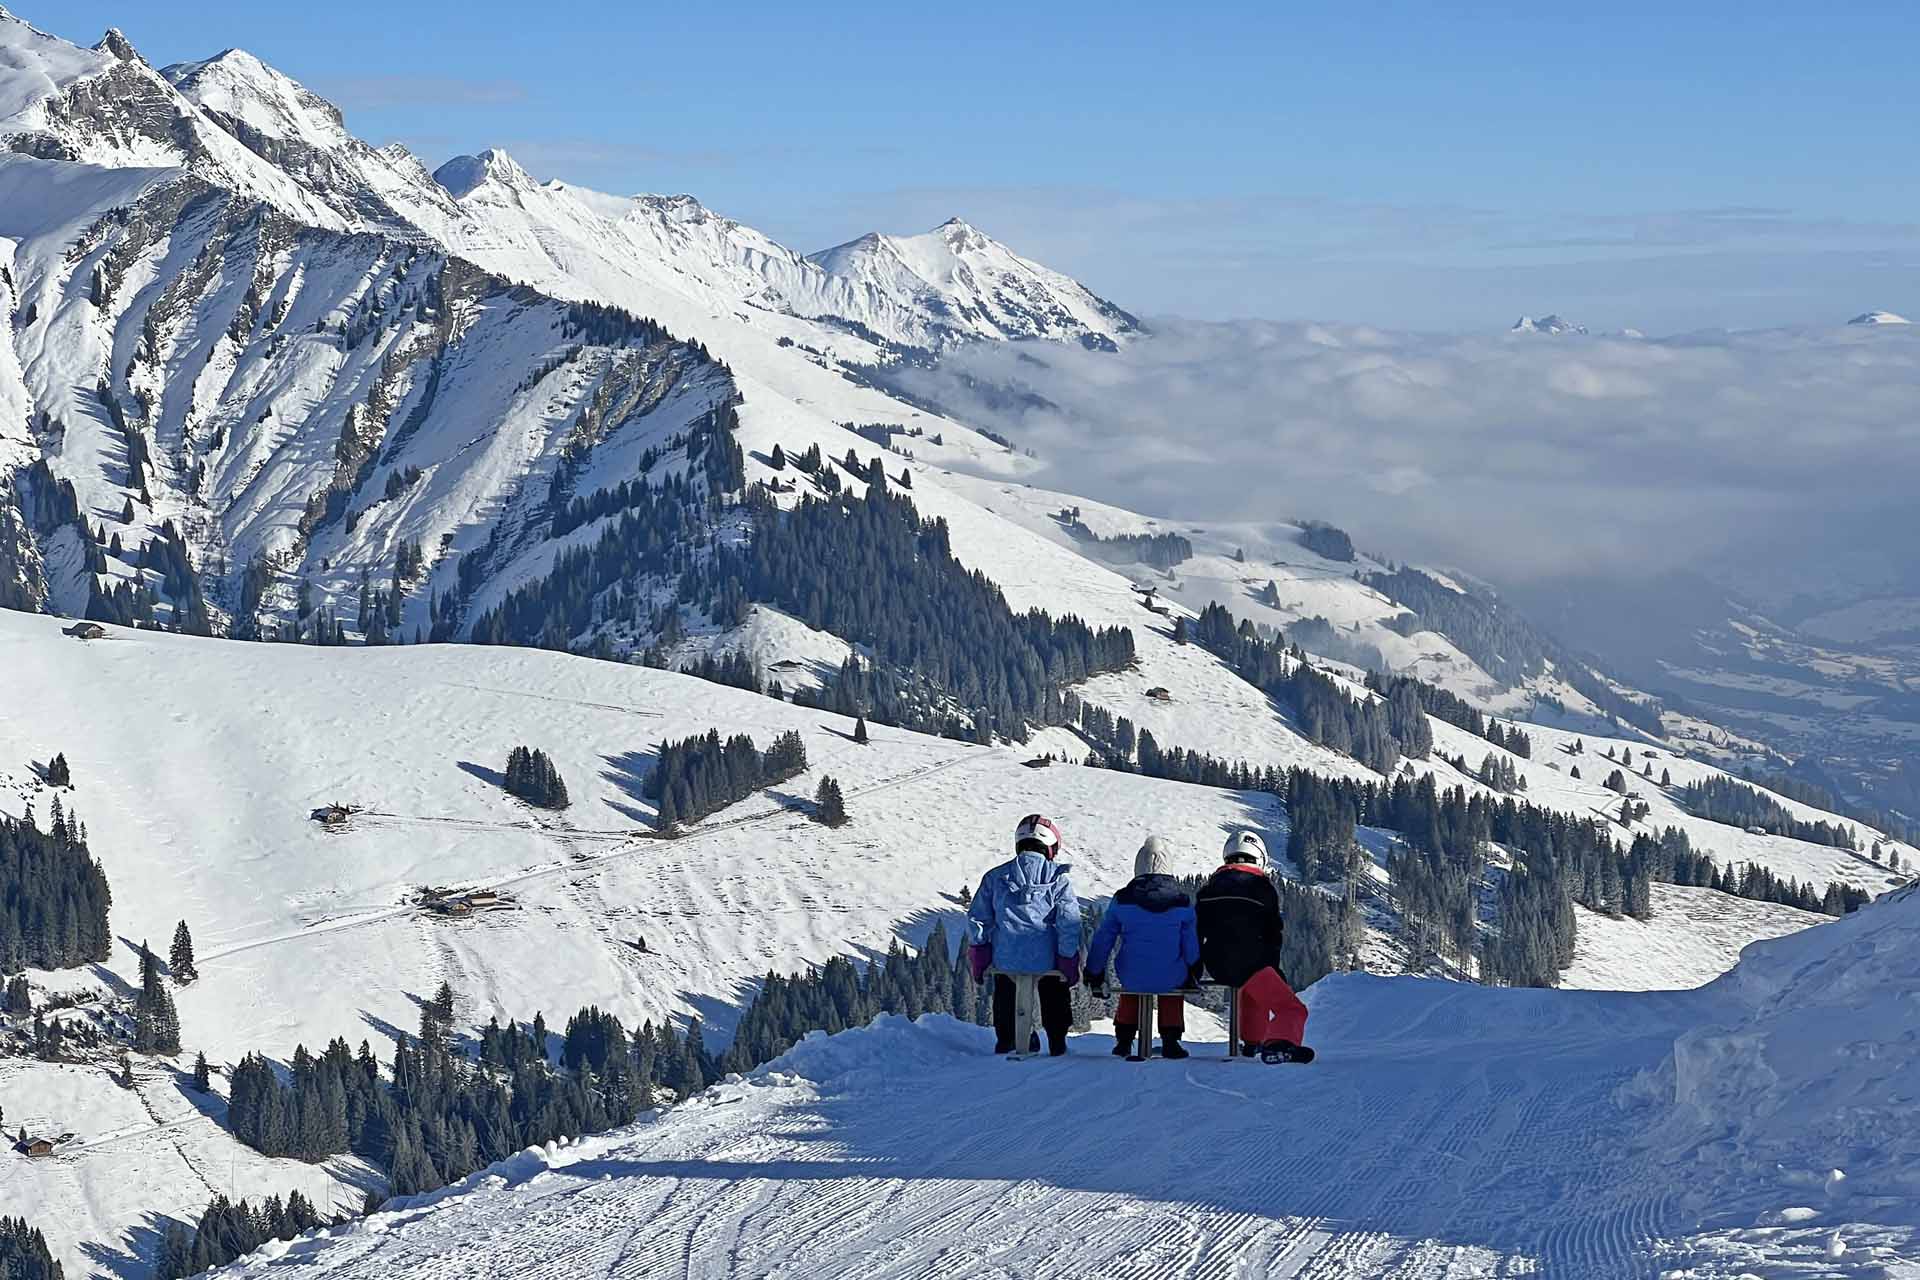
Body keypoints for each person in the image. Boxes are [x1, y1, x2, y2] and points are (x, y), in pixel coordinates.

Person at [967, 814, 1083, 1056]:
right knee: (1054, 989)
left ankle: (1007, 1039)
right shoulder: (1058, 879)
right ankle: (1057, 1041)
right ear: (1051, 846)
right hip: (1047, 960)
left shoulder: (995, 877)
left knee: (1006, 989)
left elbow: (978, 919)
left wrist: (980, 954)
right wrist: (1067, 960)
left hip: (1006, 957)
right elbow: (1068, 924)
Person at [1195, 831, 1313, 1063]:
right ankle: (1279, 1044)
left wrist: (1195, 968)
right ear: (1259, 858)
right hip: (1252, 960)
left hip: (1217, 963)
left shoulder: (1208, 890)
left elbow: (1196, 932)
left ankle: (1252, 1044)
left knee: (1250, 989)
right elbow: (1272, 934)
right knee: (1292, 1008)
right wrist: (1273, 968)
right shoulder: (1262, 889)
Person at [1086, 836, 1201, 1060]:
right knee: (1172, 981)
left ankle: (1124, 1040)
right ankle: (1170, 1040)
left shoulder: (1122, 899)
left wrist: (1094, 972)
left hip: (1130, 972)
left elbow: (1103, 939)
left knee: (1133, 980)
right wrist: (1194, 969)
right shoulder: (1181, 902)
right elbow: (1190, 943)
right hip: (1172, 974)